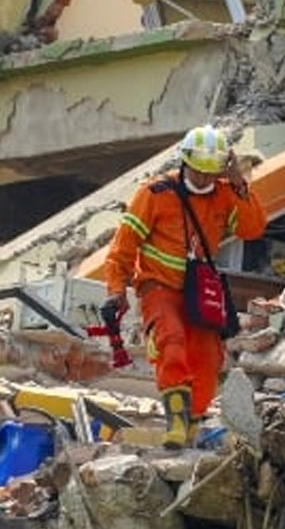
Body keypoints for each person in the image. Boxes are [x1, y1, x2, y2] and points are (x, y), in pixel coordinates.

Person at [103, 125, 267, 448]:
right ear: (185, 162)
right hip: (158, 286)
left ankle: (191, 426)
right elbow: (122, 248)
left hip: (198, 291)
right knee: (171, 341)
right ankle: (175, 424)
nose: (205, 179)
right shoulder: (154, 194)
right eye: (199, 171)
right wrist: (116, 291)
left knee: (208, 359)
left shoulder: (224, 194)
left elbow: (253, 228)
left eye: (212, 173)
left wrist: (238, 183)